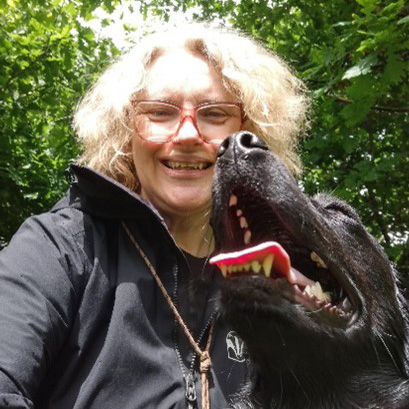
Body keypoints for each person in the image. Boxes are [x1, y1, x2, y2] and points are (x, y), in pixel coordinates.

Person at [0, 22, 309, 409]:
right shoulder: (58, 249)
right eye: (160, 112)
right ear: (124, 129)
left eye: (214, 114)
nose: (187, 134)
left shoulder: (272, 272)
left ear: (247, 132)